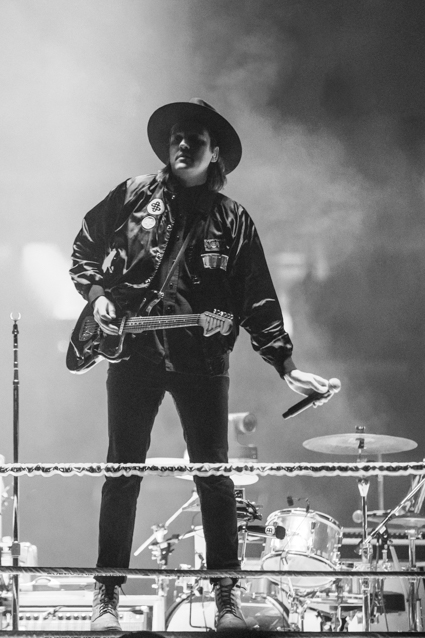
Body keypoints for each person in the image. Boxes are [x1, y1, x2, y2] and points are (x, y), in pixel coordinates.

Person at [70, 98, 333, 632]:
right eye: (178, 137)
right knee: (122, 473)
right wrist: (98, 296)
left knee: (214, 477)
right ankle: (107, 597)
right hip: (134, 354)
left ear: (216, 154)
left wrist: (285, 364)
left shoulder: (232, 219)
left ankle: (226, 599)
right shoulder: (133, 195)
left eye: (196, 139)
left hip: (202, 360)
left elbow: (258, 295)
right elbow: (84, 250)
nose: (183, 145)